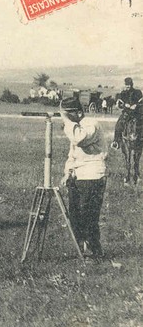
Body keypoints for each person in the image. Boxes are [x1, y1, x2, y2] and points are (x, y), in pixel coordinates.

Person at [59, 97, 108, 259]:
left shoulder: (90, 124)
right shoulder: (76, 126)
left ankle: (95, 251)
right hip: (78, 176)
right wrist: (68, 172)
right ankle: (82, 251)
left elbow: (79, 139)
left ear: (78, 112)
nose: (64, 118)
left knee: (88, 216)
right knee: (75, 215)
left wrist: (67, 121)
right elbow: (72, 154)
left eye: (68, 114)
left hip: (93, 175)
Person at [113, 77, 143, 149]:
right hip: (126, 113)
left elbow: (142, 102)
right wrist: (124, 105)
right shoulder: (123, 93)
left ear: (131, 84)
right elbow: (118, 102)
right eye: (126, 85)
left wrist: (136, 105)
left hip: (137, 113)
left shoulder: (138, 92)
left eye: (129, 85)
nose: (127, 86)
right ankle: (116, 142)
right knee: (118, 125)